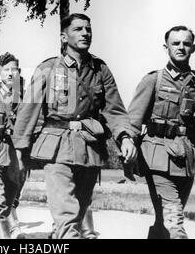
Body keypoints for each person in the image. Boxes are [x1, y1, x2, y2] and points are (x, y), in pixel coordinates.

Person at [12, 13, 137, 239]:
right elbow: (27, 111)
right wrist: (20, 151)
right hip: (56, 148)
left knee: (78, 213)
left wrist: (125, 136)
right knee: (66, 216)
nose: (85, 33)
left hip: (89, 148)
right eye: (78, 29)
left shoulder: (100, 69)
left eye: (88, 29)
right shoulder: (48, 68)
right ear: (63, 36)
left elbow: (114, 109)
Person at [128, 25, 195, 239]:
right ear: (166, 47)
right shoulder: (154, 80)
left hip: (187, 159)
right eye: (175, 43)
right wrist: (127, 147)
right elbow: (133, 119)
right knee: (174, 221)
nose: (181, 47)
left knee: (165, 222)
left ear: (193, 48)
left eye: (186, 44)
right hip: (156, 158)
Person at [0, 52, 26, 239]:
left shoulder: (25, 99)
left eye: (14, 70)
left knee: (9, 201)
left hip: (15, 156)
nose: (10, 74)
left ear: (19, 72)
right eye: (6, 70)